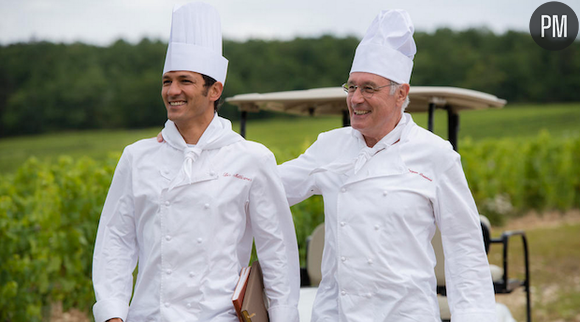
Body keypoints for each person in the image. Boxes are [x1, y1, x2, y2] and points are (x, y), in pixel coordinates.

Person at [278, 10, 498, 322]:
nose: (355, 98)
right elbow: (270, 188)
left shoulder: (435, 155)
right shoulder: (329, 147)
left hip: (407, 315)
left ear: (401, 94)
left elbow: (465, 246)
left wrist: (475, 317)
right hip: (336, 315)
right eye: (351, 87)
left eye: (369, 88)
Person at [92, 3, 300, 322]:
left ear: (214, 89)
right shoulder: (137, 157)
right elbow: (116, 241)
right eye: (167, 81)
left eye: (185, 81)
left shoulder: (252, 159)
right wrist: (112, 313)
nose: (172, 91)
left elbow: (277, 251)